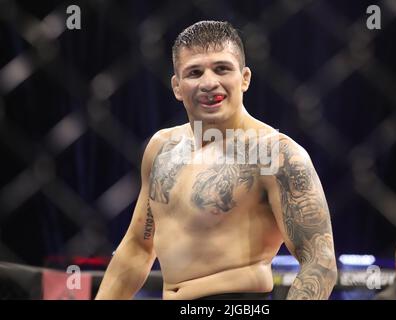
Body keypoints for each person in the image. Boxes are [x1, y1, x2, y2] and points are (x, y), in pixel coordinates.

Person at [95, 20, 337, 300]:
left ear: (244, 78)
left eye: (222, 68)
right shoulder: (162, 147)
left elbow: (320, 261)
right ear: (177, 86)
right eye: (194, 72)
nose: (209, 83)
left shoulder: (275, 153)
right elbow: (138, 247)